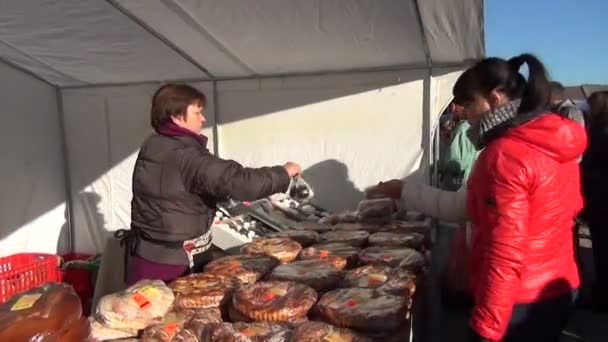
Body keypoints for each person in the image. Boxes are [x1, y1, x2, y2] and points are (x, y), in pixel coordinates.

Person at [370, 54, 585, 342]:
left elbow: (505, 249)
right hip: (557, 287)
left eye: (469, 103)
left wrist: (486, 327)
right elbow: (468, 207)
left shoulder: (505, 153)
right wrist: (405, 191)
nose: (462, 112)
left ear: (495, 98)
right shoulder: (550, 138)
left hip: (518, 300)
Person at [117, 83, 301, 285]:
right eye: (197, 112)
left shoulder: (155, 143)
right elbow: (241, 182)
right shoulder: (187, 155)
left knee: (143, 313)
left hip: (148, 255)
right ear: (177, 116)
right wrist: (284, 172)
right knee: (170, 314)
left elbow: (177, 189)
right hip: (173, 264)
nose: (203, 118)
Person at [581, 91, 608, 313]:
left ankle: (602, 296)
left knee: (603, 250)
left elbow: (594, 167)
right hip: (600, 199)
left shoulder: (601, 133)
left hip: (602, 201)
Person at [440, 102, 479, 191]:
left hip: (457, 186)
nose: (453, 109)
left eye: (455, 105)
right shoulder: (475, 126)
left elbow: (452, 164)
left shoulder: (462, 129)